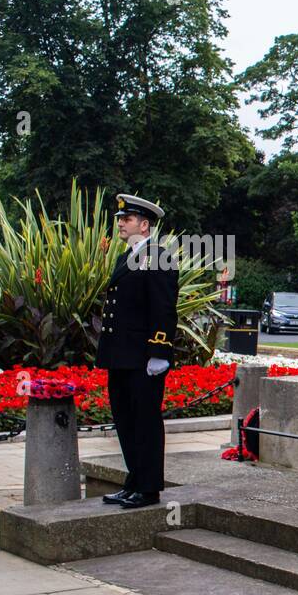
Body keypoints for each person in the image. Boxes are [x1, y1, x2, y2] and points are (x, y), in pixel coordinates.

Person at [95, 194, 177, 510]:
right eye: (119, 219)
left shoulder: (159, 256)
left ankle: (149, 488)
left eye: (126, 219)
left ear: (144, 225)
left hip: (144, 358)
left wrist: (159, 351)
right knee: (126, 421)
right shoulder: (125, 257)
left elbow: (164, 308)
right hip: (121, 356)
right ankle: (134, 481)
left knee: (145, 422)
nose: (120, 224)